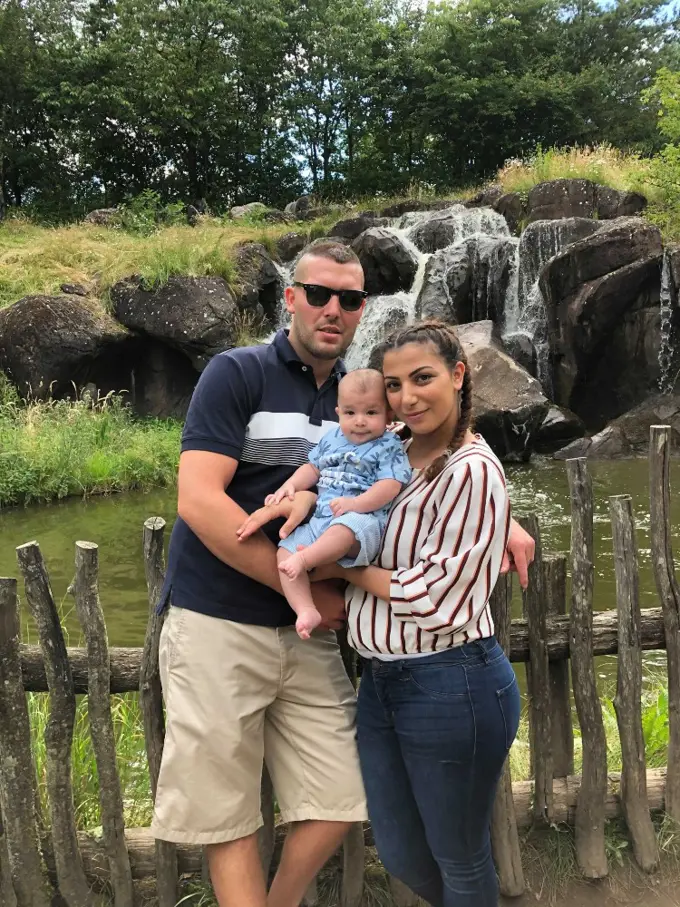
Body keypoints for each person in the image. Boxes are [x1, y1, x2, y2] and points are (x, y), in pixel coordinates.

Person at [153, 236, 534, 907]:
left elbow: (434, 446)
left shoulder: (360, 395)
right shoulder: (236, 373)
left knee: (340, 796)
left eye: (350, 297)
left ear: (363, 308)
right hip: (222, 620)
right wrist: (293, 581)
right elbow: (198, 500)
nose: (334, 308)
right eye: (320, 293)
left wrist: (499, 517)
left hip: (312, 634)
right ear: (290, 296)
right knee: (229, 811)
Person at [240, 320, 524, 907]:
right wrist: (304, 498)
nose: (407, 397)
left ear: (459, 374)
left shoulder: (471, 469)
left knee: (460, 859)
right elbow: (334, 477)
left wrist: (340, 570)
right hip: (381, 680)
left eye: (423, 379)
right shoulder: (389, 446)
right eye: (394, 385)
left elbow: (436, 600)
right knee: (398, 850)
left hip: (452, 680)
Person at [269, 368, 411, 638]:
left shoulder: (389, 445)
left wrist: (356, 504)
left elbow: (390, 485)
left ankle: (306, 558)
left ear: (388, 415)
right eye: (350, 413)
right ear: (338, 412)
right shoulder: (332, 439)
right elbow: (312, 468)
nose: (359, 421)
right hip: (322, 517)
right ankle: (305, 609)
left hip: (363, 522)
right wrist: (291, 485)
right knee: (283, 552)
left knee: (342, 530)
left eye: (371, 413)